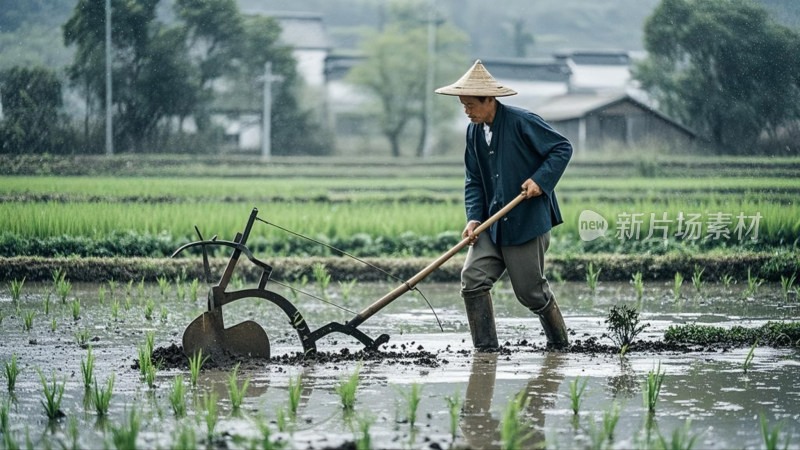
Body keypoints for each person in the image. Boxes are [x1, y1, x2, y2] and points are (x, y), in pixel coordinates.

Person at [435, 60, 572, 350]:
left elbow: (562, 148)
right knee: (472, 279)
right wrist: (473, 218)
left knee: (530, 293)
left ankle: (561, 346)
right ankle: (486, 352)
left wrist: (540, 180)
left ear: (489, 100)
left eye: (471, 105)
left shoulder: (523, 122)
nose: (466, 111)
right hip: (492, 224)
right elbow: (473, 179)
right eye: (463, 105)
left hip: (525, 223)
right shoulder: (473, 133)